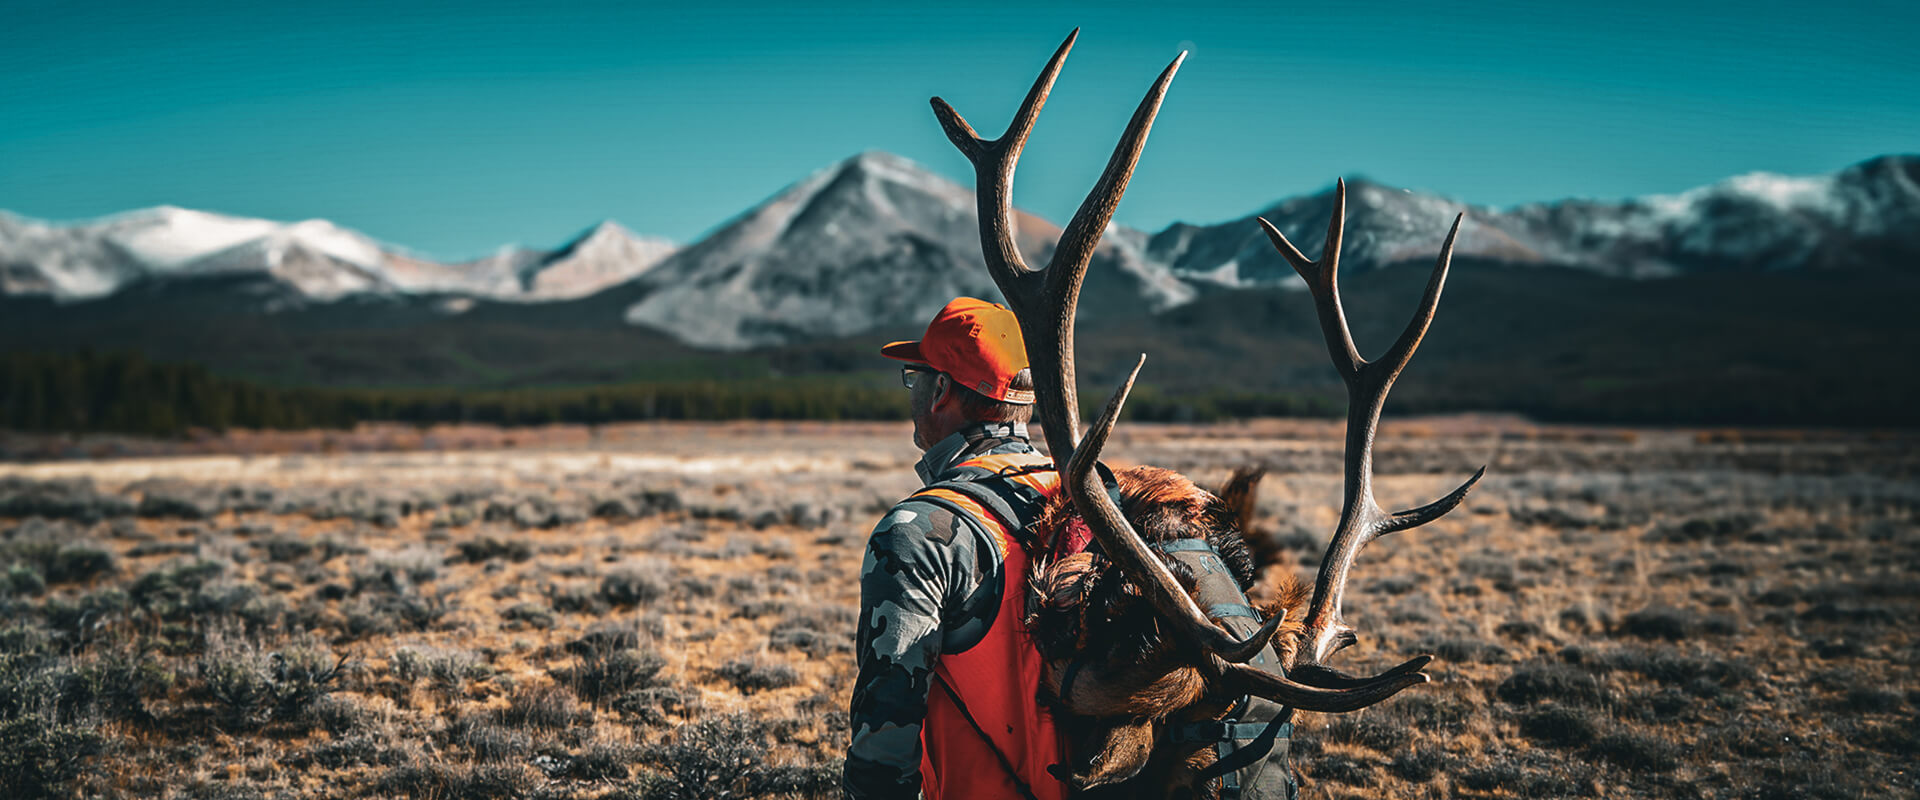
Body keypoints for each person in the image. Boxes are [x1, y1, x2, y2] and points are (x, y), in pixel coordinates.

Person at [844, 297, 1068, 800]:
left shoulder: (921, 529)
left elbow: (887, 736)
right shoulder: (1089, 498)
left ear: (940, 390)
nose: (914, 391)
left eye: (914, 376)